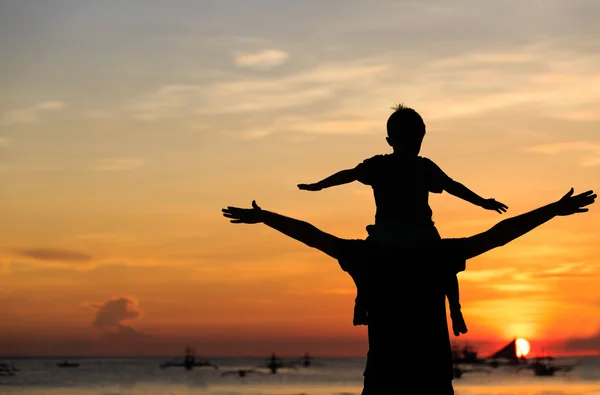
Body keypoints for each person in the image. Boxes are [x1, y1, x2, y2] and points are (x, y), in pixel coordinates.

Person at [222, 188, 595, 394]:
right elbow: (498, 235)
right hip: (430, 377)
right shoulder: (437, 253)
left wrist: (266, 217)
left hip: (385, 376)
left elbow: (313, 235)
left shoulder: (366, 254)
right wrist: (552, 210)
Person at [297, 104, 509, 333]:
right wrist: (482, 202)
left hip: (392, 232)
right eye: (412, 140)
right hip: (415, 232)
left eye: (416, 140)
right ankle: (454, 310)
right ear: (392, 141)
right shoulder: (414, 166)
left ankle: (364, 300)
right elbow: (452, 186)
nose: (414, 146)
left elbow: (349, 174)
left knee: (367, 261)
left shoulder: (387, 165)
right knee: (445, 262)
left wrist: (319, 186)